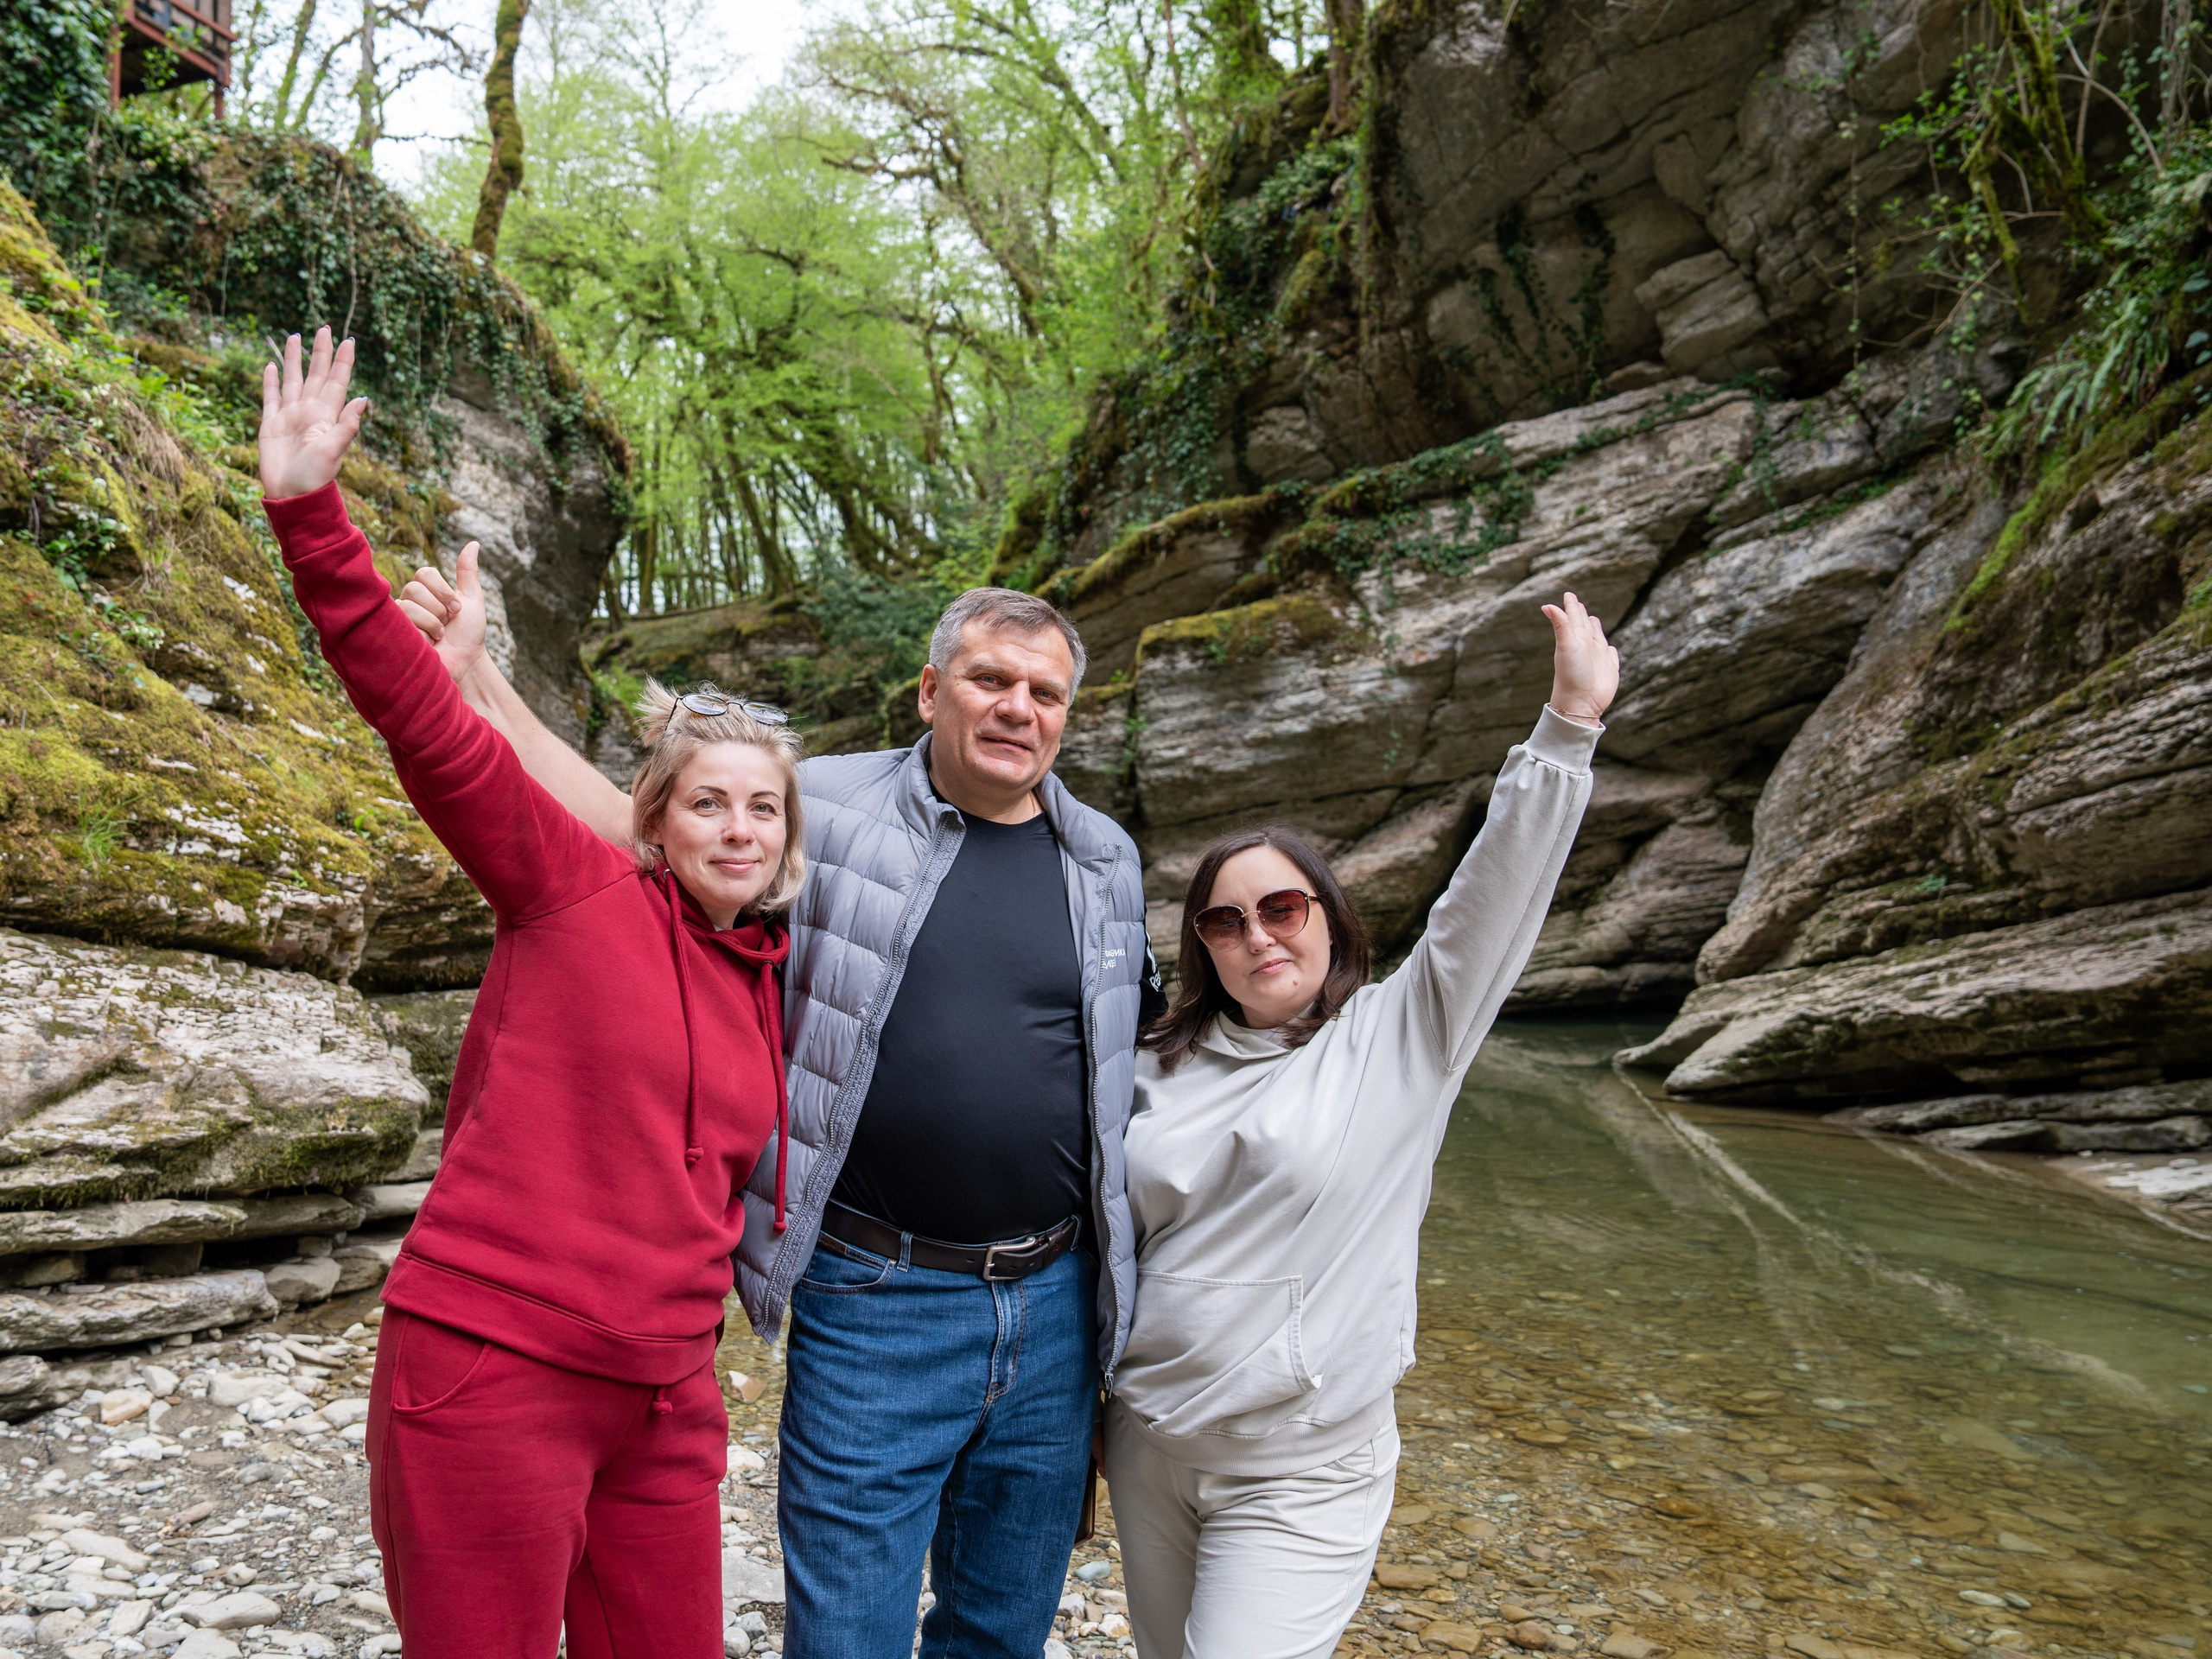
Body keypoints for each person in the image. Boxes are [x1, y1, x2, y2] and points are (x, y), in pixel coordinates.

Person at [397, 537, 1158, 1657]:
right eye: (991, 679)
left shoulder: (1104, 858)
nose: (1017, 708)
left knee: (1004, 1628)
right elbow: (629, 826)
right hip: (877, 1291)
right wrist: (477, 678)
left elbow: (1128, 1065)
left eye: (1044, 694)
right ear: (931, 690)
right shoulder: (828, 807)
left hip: (1052, 1299)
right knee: (846, 1631)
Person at [258, 327, 804, 1658]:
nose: (738, 829)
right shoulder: (572, 889)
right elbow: (425, 726)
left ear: (792, 840)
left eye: (765, 809)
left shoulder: (770, 976)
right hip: (495, 1369)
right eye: (708, 803)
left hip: (667, 1397)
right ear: (652, 818)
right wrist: (311, 519)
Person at [1103, 594, 1618, 1659]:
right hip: (1148, 1446)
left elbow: (1488, 902)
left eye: (1282, 908)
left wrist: (1566, 729)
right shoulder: (1150, 1060)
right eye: (1226, 920)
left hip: (1301, 1466)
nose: (1258, 936)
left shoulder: (1401, 1037)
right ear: (1202, 946)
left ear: (1330, 920)